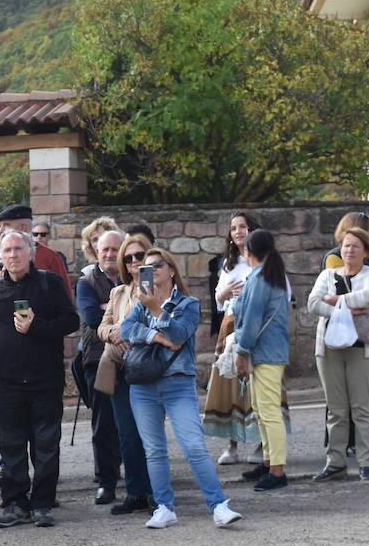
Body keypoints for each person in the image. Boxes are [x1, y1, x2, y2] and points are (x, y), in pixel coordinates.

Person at [120, 249, 243, 529]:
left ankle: (218, 505)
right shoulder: (140, 303)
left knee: (193, 446)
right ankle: (164, 507)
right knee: (153, 450)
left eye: (157, 266)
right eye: (145, 268)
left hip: (177, 383)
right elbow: (126, 331)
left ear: (172, 269)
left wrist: (155, 311)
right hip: (143, 385)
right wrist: (157, 338)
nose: (149, 271)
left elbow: (179, 334)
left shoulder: (187, 303)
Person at [0, 230, 80, 528]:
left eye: (18, 249)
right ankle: (15, 503)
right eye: (7, 250)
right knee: (11, 446)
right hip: (6, 384)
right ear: (0, 256)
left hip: (45, 380)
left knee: (46, 445)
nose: (13, 255)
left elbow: (71, 321)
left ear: (31, 252)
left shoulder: (50, 283)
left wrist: (37, 326)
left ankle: (43, 504)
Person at [308, 228, 369, 482]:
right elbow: (313, 304)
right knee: (336, 409)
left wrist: (335, 300)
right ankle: (335, 462)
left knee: (362, 408)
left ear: (366, 251)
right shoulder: (327, 274)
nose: (349, 250)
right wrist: (347, 310)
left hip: (364, 349)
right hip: (329, 349)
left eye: (355, 246)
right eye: (345, 245)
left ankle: (366, 463)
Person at [95, 235, 155, 515]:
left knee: (150, 434)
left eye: (139, 256)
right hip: (120, 370)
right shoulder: (117, 292)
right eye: (128, 258)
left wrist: (127, 331)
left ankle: (156, 492)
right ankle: (136, 492)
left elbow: (158, 320)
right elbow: (101, 327)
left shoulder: (156, 288)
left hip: (148, 369)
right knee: (127, 435)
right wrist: (114, 334)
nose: (134, 262)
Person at [202, 212, 264, 466]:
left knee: (257, 385)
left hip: (257, 328)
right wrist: (225, 292)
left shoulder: (264, 262)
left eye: (243, 227)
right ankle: (232, 445)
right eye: (234, 228)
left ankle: (262, 443)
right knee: (228, 385)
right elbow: (218, 300)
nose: (238, 232)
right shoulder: (228, 264)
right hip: (230, 326)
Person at [233, 229, 293, 491]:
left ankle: (277, 470)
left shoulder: (259, 278)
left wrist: (242, 351)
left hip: (263, 352)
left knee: (267, 412)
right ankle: (269, 463)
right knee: (262, 408)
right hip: (271, 350)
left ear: (248, 251)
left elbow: (253, 318)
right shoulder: (270, 274)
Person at [76, 229, 126, 505]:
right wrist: (124, 313)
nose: (109, 254)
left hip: (131, 358)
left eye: (115, 249)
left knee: (131, 423)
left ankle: (137, 481)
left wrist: (111, 311)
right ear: (96, 251)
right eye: (105, 249)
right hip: (99, 359)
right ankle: (106, 481)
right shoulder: (86, 282)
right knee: (104, 424)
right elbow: (94, 318)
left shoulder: (133, 277)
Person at [0, 204, 72, 297]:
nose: (0, 230)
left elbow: (65, 297)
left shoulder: (49, 256)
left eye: (6, 225)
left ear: (23, 228)